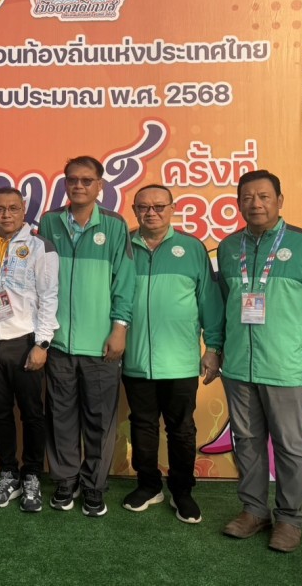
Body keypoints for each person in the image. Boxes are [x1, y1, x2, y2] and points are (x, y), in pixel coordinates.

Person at [202, 169, 302, 552]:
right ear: (238, 203)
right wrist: (214, 347)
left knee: (289, 445)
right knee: (246, 442)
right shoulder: (228, 248)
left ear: (279, 201)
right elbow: (219, 305)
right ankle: (253, 511)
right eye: (248, 197)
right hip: (238, 367)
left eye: (264, 196)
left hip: (286, 366)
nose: (256, 204)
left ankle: (289, 519)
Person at [37, 156, 135, 517]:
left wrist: (119, 329)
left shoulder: (114, 224)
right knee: (60, 416)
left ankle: (94, 484)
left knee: (100, 419)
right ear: (65, 183)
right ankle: (66, 480)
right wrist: (43, 336)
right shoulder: (49, 222)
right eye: (72, 180)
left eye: (86, 180)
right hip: (58, 343)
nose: (79, 186)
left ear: (99, 186)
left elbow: (124, 281)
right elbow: (39, 279)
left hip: (101, 346)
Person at [121, 185, 224, 524]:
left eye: (159, 206)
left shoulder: (192, 248)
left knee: (181, 429)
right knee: (142, 425)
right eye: (144, 207)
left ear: (173, 208)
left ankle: (183, 491)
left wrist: (213, 348)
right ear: (135, 210)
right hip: (135, 360)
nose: (151, 212)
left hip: (180, 362)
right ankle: (148, 485)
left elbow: (209, 301)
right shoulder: (124, 246)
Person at [0, 187, 59, 512]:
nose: (6, 214)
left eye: (13, 208)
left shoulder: (40, 247)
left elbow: (49, 296)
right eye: (0, 209)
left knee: (31, 413)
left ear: (23, 211)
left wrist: (42, 343)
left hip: (25, 341)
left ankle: (32, 475)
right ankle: (8, 473)